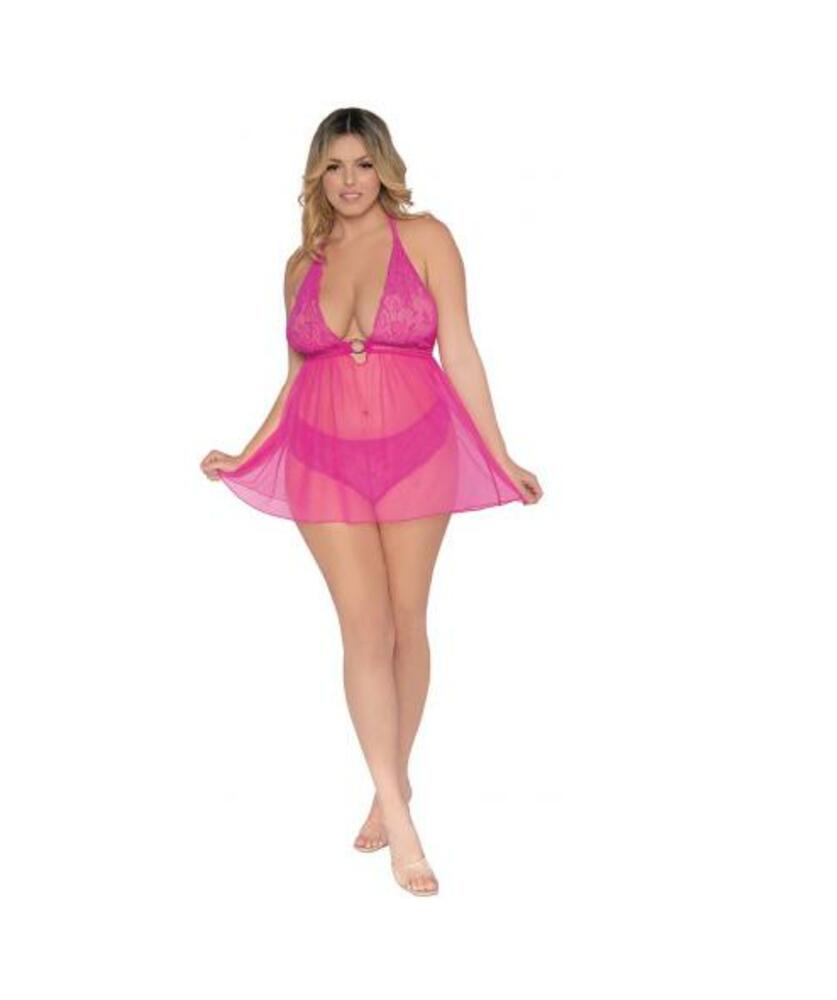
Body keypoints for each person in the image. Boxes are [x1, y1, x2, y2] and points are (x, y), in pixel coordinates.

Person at [201, 107, 543, 896]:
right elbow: (295, 378)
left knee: (405, 621)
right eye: (334, 166)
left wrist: (501, 454)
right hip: (321, 457)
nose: (349, 181)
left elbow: (460, 349)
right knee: (363, 627)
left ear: (383, 168)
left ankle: (394, 777)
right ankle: (397, 809)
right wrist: (247, 453)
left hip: (418, 448)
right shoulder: (301, 264)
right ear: (316, 176)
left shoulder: (427, 238)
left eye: (362, 164)